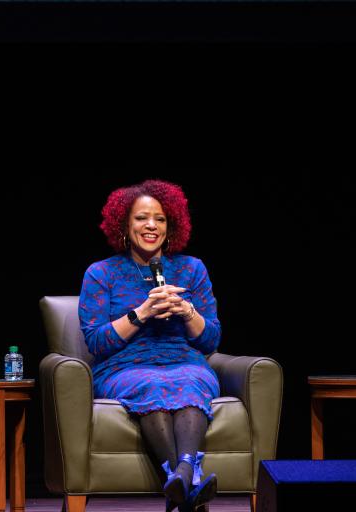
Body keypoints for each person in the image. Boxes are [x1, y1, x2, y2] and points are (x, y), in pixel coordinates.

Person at [78, 180, 220, 512]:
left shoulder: (191, 268)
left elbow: (211, 339)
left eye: (160, 219)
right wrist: (142, 312)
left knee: (190, 380)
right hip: (124, 366)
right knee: (151, 384)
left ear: (172, 226)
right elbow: (97, 342)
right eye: (142, 218)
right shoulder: (101, 273)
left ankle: (179, 478)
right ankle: (189, 479)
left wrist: (185, 310)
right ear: (125, 225)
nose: (151, 226)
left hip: (183, 358)